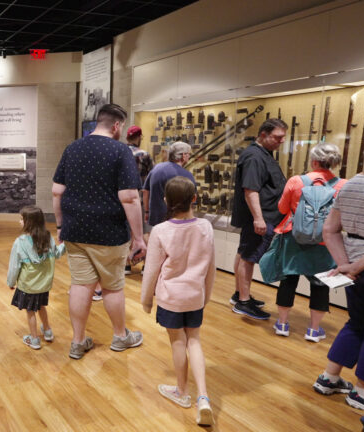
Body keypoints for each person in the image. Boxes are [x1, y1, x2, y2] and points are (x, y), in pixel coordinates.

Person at [52, 103, 146, 360]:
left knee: (81, 285)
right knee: (113, 287)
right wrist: (139, 237)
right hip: (109, 231)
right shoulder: (121, 151)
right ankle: (120, 336)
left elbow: (57, 192)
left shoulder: (72, 148)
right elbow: (129, 198)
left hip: (75, 230)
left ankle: (78, 341)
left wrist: (60, 226)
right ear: (117, 125)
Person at [312, 134, 364, 412]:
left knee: (356, 322)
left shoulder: (351, 182)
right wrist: (356, 266)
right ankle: (361, 392)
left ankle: (329, 377)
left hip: (351, 266)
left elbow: (329, 229)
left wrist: (346, 264)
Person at [141, 176, 214, 426]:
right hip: (195, 295)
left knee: (177, 342)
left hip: (171, 297)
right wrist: (207, 295)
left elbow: (150, 270)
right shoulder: (206, 227)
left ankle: (182, 392)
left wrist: (146, 299)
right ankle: (203, 397)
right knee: (194, 340)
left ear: (165, 201)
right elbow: (211, 267)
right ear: (194, 198)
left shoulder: (161, 231)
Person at [270, 143, 346, 341]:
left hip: (294, 239)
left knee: (288, 280)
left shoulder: (296, 181)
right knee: (320, 284)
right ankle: (313, 330)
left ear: (313, 161)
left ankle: (283, 324)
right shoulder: (343, 185)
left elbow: (282, 207)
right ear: (335, 163)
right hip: (325, 243)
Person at [230, 118, 288, 320]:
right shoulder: (255, 157)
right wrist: (258, 219)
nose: (281, 141)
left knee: (244, 253)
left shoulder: (262, 154)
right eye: (278, 137)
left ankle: (240, 294)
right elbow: (250, 190)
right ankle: (243, 303)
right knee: (249, 258)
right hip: (262, 217)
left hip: (265, 215)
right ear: (263, 134)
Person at [7, 206, 66, 349]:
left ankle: (34, 339)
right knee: (41, 306)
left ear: (29, 222)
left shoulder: (20, 242)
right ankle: (48, 331)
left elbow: (14, 266)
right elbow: (57, 254)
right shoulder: (47, 237)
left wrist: (11, 281)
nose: (19, 221)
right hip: (44, 284)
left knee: (30, 311)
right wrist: (65, 244)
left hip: (29, 285)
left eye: (22, 219)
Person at [142, 142, 195, 227]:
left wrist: (147, 212)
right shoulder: (187, 175)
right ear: (184, 155)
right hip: (175, 222)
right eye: (189, 154)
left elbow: (145, 191)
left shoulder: (156, 168)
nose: (189, 157)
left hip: (156, 219)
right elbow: (190, 202)